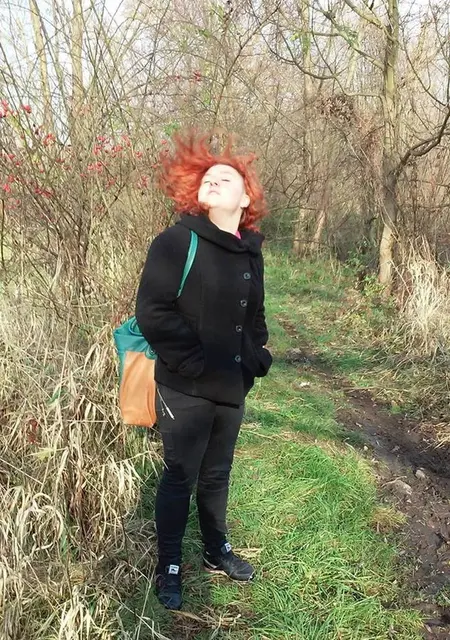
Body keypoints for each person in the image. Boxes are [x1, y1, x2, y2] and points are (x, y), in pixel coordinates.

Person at [135, 130, 272, 610]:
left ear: (246, 197)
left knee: (217, 474)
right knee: (180, 476)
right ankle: (170, 564)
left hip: (232, 385)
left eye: (226, 178)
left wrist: (256, 357)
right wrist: (193, 362)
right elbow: (153, 312)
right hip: (184, 384)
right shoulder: (177, 241)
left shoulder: (250, 250)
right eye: (208, 178)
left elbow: (255, 314)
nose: (214, 181)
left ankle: (216, 549)